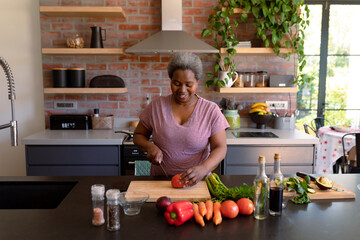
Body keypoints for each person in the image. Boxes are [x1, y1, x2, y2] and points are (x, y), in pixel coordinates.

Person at [133, 52, 229, 187]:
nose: (182, 90)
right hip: (160, 183)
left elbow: (220, 148)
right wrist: (149, 146)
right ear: (170, 80)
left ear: (197, 82)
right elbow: (138, 135)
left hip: (197, 183)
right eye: (176, 83)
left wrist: (203, 168)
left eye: (189, 84)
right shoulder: (156, 106)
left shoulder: (210, 110)